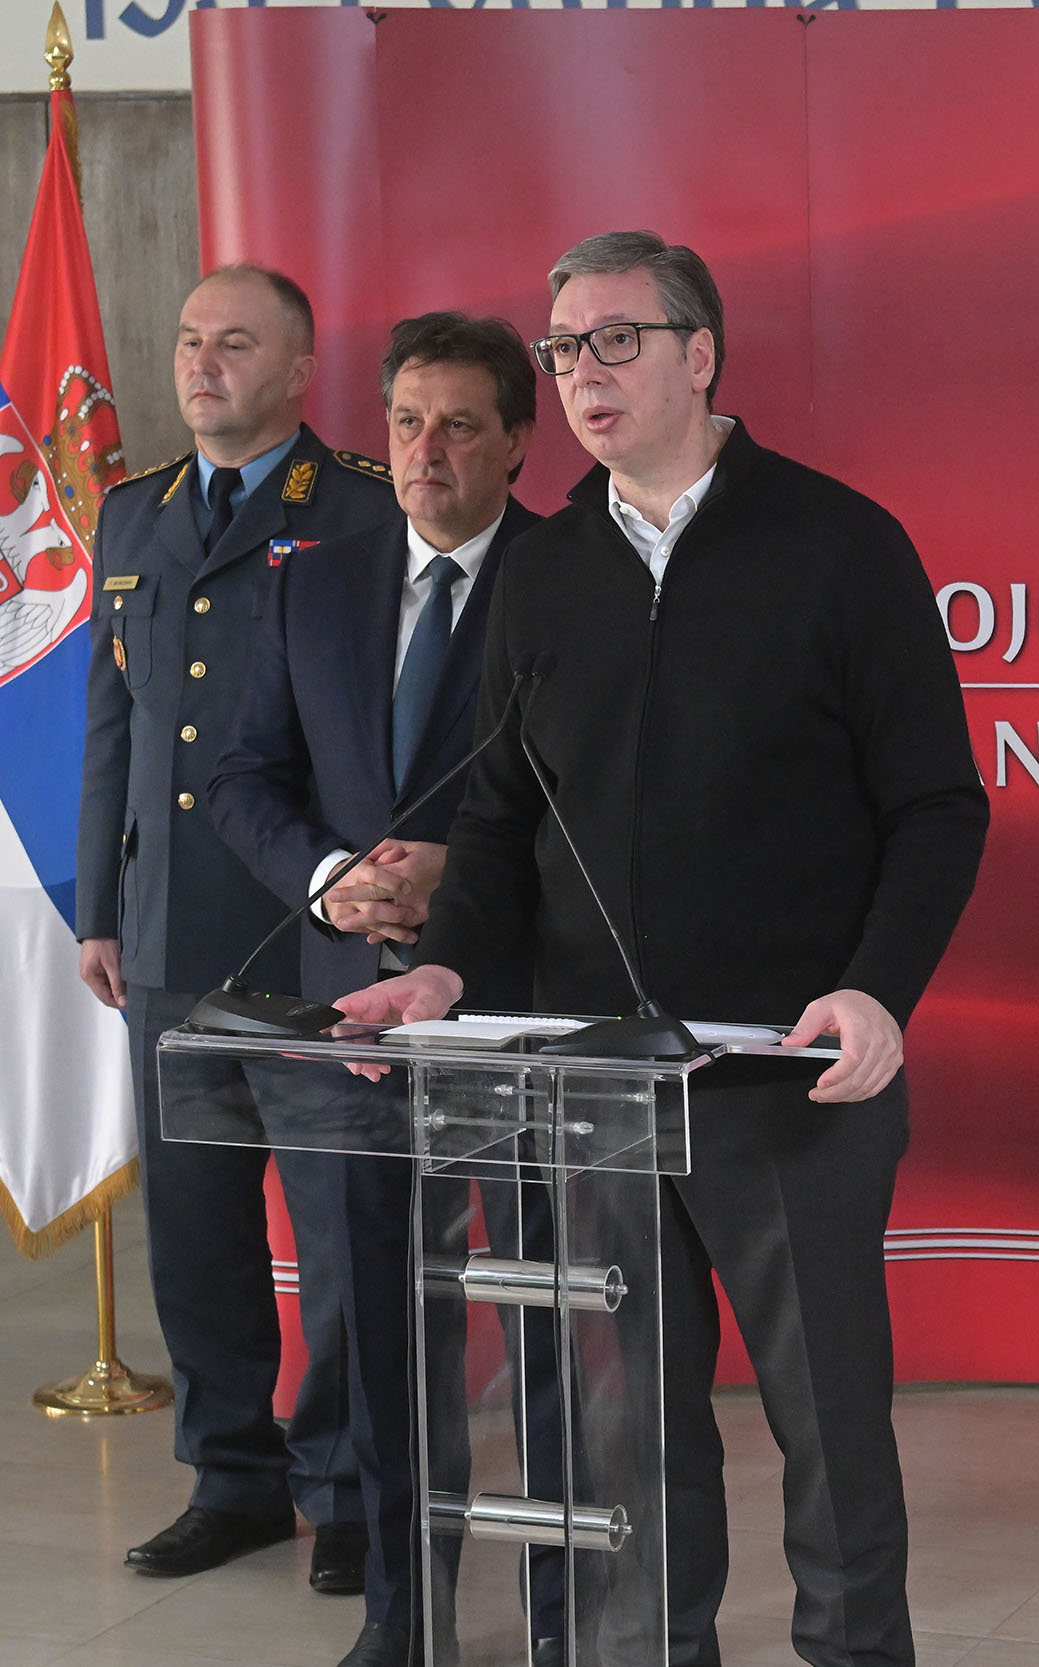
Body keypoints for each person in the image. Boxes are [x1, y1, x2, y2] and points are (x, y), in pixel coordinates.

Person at [333, 231, 989, 1667]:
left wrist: (877, 987)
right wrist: (444, 969)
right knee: (626, 1432)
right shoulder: (545, 570)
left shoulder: (839, 543)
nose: (584, 372)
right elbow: (499, 813)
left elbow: (939, 805)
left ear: (701, 354)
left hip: (788, 1076)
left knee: (827, 1421)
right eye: (565, 347)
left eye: (616, 340)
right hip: (598, 1085)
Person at [208, 311, 546, 1667]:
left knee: (545, 1319)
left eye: (460, 424)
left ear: (518, 444)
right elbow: (242, 777)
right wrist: (330, 874)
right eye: (407, 422)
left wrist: (460, 878)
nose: (426, 450)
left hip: (521, 1009)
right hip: (352, 1012)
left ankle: (570, 1616)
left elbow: (609, 797)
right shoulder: (317, 581)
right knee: (387, 1323)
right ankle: (405, 1617)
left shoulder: (566, 583)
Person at [76, 263, 398, 1591]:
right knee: (196, 1230)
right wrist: (101, 907)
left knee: (340, 1234)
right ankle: (233, 1478)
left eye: (235, 344)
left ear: (300, 369)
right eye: (189, 340)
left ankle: (352, 1488)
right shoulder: (133, 512)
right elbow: (113, 724)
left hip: (313, 935)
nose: (201, 364)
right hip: (167, 935)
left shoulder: (364, 510)